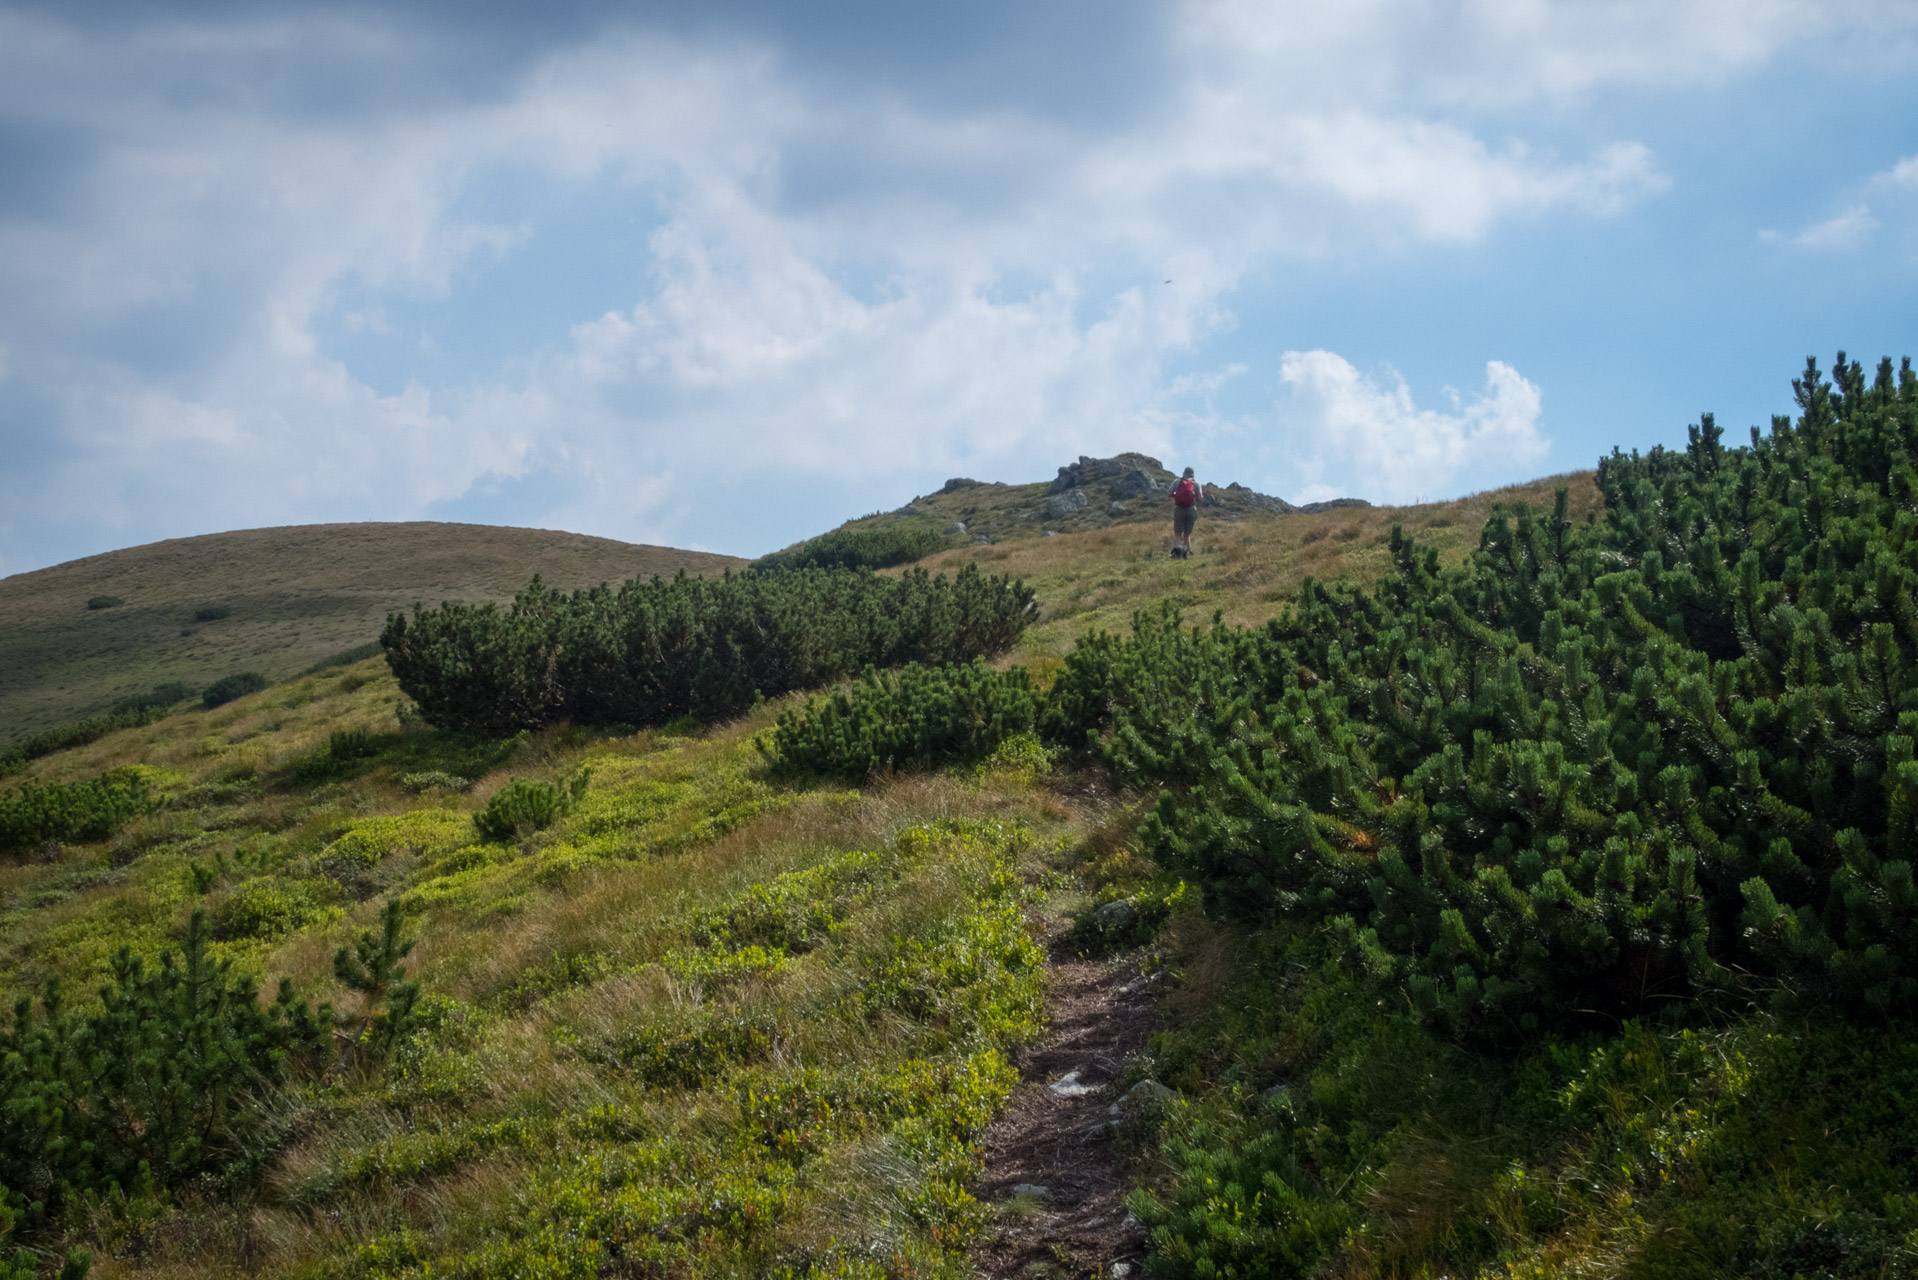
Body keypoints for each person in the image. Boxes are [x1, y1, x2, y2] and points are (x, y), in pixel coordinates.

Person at [1169, 466, 1199, 558]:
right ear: (1192, 474)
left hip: (1179, 509)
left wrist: (1177, 495)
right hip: (1191, 509)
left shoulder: (1176, 481)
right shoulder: (1196, 484)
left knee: (1178, 533)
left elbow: (1169, 493)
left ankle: (1177, 553)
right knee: (1187, 533)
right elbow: (1200, 498)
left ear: (1184, 473)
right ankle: (1187, 552)